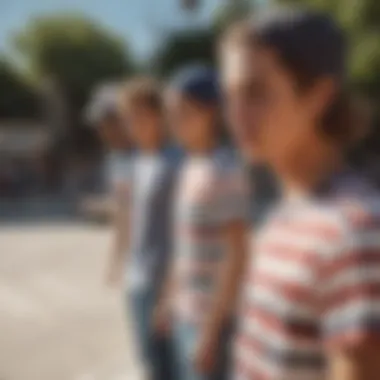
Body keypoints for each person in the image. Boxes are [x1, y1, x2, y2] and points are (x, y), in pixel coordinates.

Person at [220, 7, 380, 380]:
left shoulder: (354, 234)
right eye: (230, 95)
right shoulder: (289, 209)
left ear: (319, 96)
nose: (235, 113)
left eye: (255, 92)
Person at [154, 65, 250, 380]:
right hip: (185, 315)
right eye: (170, 113)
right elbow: (183, 247)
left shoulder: (224, 172)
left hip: (212, 324)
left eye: (182, 112)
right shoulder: (190, 166)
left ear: (210, 113)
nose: (173, 123)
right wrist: (168, 299)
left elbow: (236, 255)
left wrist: (210, 331)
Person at [118, 76, 179, 380]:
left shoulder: (176, 162)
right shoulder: (137, 161)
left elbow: (182, 233)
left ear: (159, 116)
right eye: (128, 116)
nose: (133, 123)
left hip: (162, 282)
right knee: (147, 361)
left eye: (139, 115)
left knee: (164, 367)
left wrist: (170, 292)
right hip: (137, 277)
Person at [84, 82, 131, 285]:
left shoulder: (151, 157)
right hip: (136, 267)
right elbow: (121, 216)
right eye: (100, 125)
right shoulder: (114, 161)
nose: (102, 131)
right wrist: (115, 263)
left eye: (107, 123)